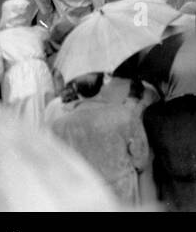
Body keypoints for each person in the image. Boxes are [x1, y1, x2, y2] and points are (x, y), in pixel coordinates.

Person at [48, 74, 153, 207]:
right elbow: (141, 160)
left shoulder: (60, 126)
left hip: (85, 197)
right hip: (124, 194)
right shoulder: (125, 114)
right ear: (103, 82)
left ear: (74, 87)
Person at [0, 0, 53, 125]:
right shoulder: (38, 32)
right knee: (47, 120)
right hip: (43, 76)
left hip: (17, 82)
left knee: (22, 126)